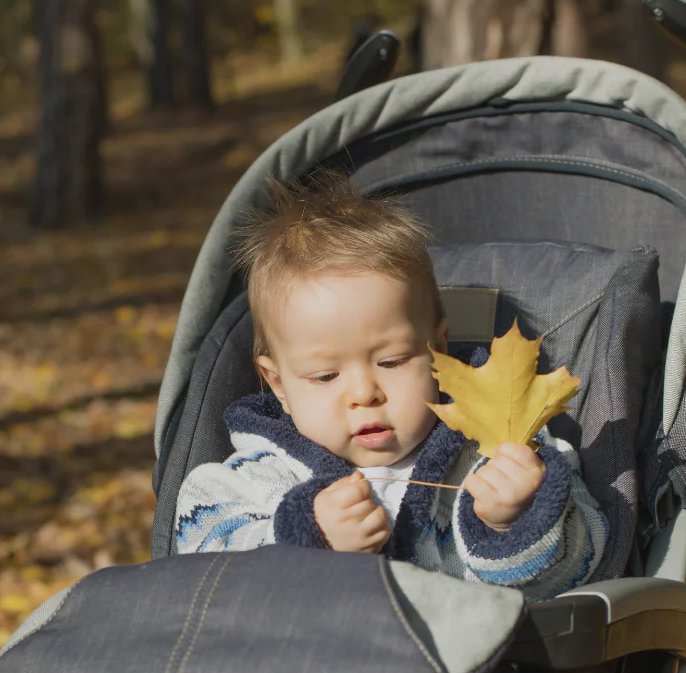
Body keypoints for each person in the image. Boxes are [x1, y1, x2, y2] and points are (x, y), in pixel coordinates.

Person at [173, 173, 608, 600]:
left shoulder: (500, 452)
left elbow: (585, 567)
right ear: (278, 383)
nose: (365, 394)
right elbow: (201, 576)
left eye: (392, 361)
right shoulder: (255, 480)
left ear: (437, 347)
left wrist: (514, 523)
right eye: (326, 376)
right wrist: (305, 537)